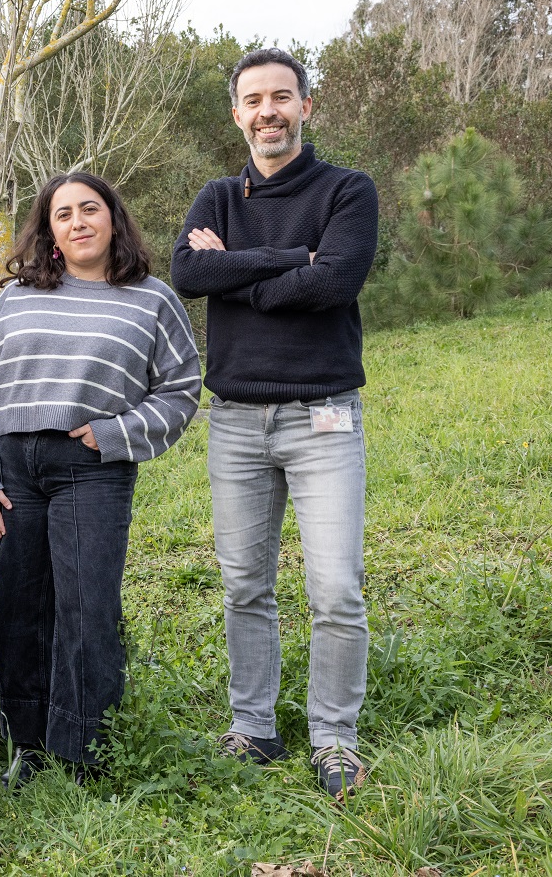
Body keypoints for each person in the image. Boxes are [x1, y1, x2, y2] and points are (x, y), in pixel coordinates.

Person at [169, 47, 379, 801]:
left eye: (282, 97)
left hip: (323, 416)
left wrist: (241, 274)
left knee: (336, 589)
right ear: (237, 114)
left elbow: (337, 281)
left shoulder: (347, 190)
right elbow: (189, 274)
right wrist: (290, 259)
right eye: (254, 100)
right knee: (244, 584)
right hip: (234, 422)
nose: (268, 112)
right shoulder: (217, 196)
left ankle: (334, 739)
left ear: (305, 107)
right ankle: (253, 727)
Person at [0, 172, 201, 788]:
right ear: (49, 232)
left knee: (86, 606)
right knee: (18, 604)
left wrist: (115, 434)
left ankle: (84, 748)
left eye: (89, 209)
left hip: (91, 466)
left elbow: (181, 387)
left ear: (113, 218)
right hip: (15, 468)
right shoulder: (16, 298)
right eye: (62, 214)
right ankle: (28, 740)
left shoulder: (151, 299)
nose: (78, 222)